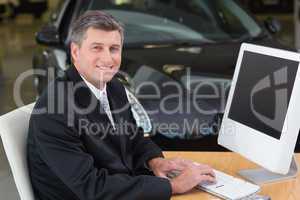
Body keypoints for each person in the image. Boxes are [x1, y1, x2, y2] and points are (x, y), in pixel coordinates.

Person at [27, 10, 216, 200]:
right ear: (75, 52)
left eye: (114, 48)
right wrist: (173, 185)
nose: (108, 58)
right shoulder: (55, 110)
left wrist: (154, 161)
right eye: (97, 48)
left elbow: (132, 137)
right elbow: (92, 188)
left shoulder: (113, 87)